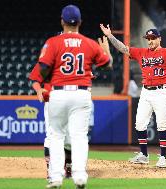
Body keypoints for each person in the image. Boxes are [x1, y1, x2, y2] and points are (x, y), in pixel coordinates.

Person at [100, 24, 166, 168]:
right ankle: (143, 155)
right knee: (139, 123)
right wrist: (110, 36)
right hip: (146, 91)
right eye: (148, 38)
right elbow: (124, 48)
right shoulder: (142, 52)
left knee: (162, 125)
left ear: (159, 39)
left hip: (161, 91)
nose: (150, 41)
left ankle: (163, 158)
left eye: (153, 38)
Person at [38, 5, 112, 189]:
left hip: (59, 92)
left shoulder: (53, 42)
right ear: (80, 22)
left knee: (55, 136)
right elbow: (107, 64)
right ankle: (80, 177)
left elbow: (43, 68)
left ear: (62, 21)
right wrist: (107, 50)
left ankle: (55, 178)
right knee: (79, 136)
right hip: (81, 93)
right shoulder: (89, 43)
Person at [28, 64, 73, 181]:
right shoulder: (48, 56)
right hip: (51, 100)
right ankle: (50, 169)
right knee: (51, 135)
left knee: (69, 136)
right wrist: (38, 90)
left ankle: (68, 166)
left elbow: (86, 78)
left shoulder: (75, 54)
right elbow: (35, 79)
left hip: (71, 100)